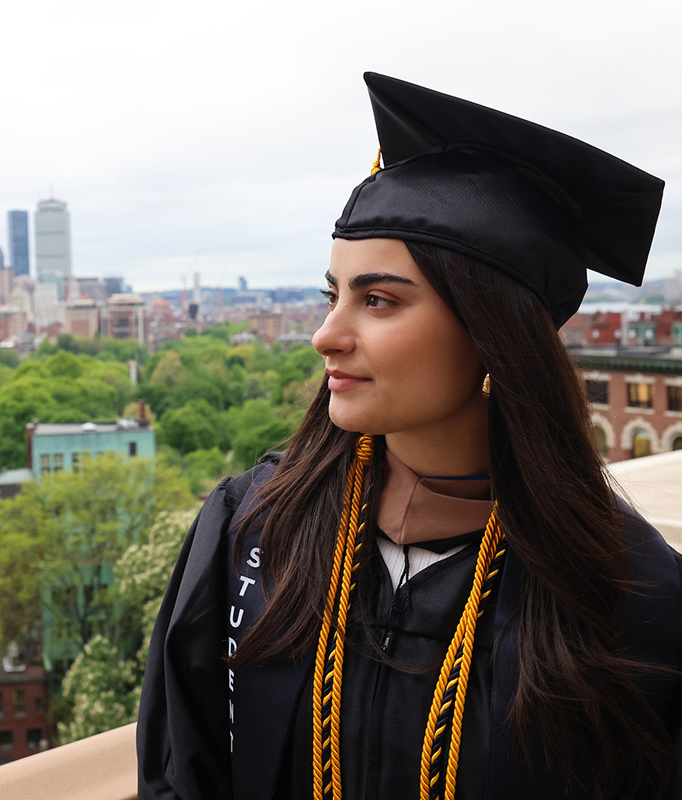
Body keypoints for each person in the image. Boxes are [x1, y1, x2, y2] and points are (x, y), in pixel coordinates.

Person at [137, 73, 682, 800]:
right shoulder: (253, 529)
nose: (326, 336)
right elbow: (183, 774)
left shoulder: (629, 601)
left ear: (492, 334)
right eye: (334, 295)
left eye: (379, 301)